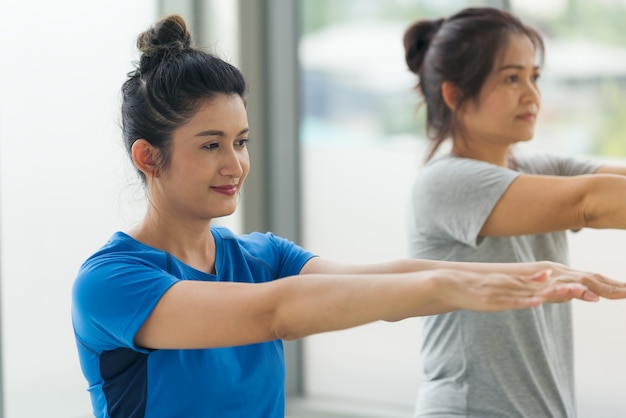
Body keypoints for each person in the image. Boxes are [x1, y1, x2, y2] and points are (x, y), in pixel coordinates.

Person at [71, 14, 624, 418]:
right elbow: (276, 314)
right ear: (149, 157)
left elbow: (379, 279)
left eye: (242, 141)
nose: (235, 163)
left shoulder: (261, 255)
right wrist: (459, 284)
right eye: (210, 144)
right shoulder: (112, 282)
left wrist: (525, 276)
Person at [403, 7, 626, 418]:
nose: (532, 94)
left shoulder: (539, 169)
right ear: (454, 95)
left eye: (534, 77)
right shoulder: (445, 182)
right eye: (511, 78)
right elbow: (590, 203)